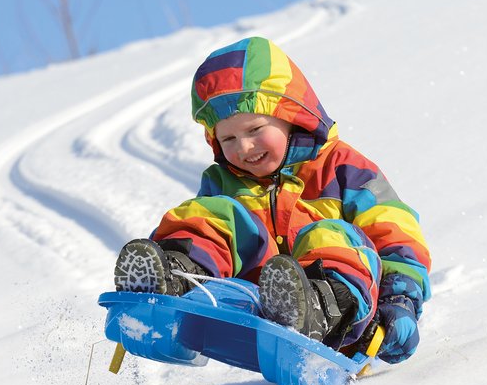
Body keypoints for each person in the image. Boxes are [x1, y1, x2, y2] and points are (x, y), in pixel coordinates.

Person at [114, 36, 431, 363]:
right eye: (228, 138)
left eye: (255, 129)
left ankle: (318, 306)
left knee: (330, 234)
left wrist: (401, 302)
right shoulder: (223, 182)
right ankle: (172, 279)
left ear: (292, 116)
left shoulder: (344, 169)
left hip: (349, 322)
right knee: (214, 214)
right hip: (258, 306)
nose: (244, 148)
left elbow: (396, 234)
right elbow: (201, 231)